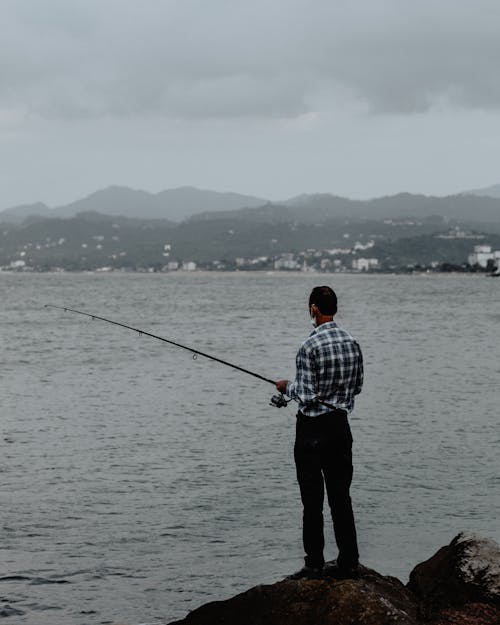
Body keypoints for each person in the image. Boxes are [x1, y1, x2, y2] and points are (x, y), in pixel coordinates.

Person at [276, 285, 363, 580]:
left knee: (312, 500)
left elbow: (308, 394)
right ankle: (349, 561)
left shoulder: (308, 346)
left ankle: (314, 563)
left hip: (312, 430)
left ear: (314, 308)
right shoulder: (352, 341)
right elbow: (358, 386)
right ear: (333, 307)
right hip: (340, 426)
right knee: (341, 496)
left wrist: (287, 387)